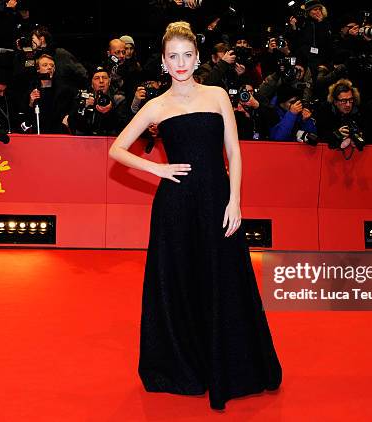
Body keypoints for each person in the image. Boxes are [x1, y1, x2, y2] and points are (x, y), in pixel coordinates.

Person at [109, 21, 282, 411]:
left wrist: (235, 199)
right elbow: (117, 149)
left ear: (198, 57)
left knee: (225, 279)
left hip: (218, 200)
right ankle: (184, 365)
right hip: (176, 207)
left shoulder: (218, 94)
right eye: (173, 57)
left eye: (187, 55)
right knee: (180, 282)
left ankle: (232, 367)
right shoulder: (157, 105)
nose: (181, 63)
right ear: (165, 63)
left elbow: (234, 152)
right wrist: (157, 170)